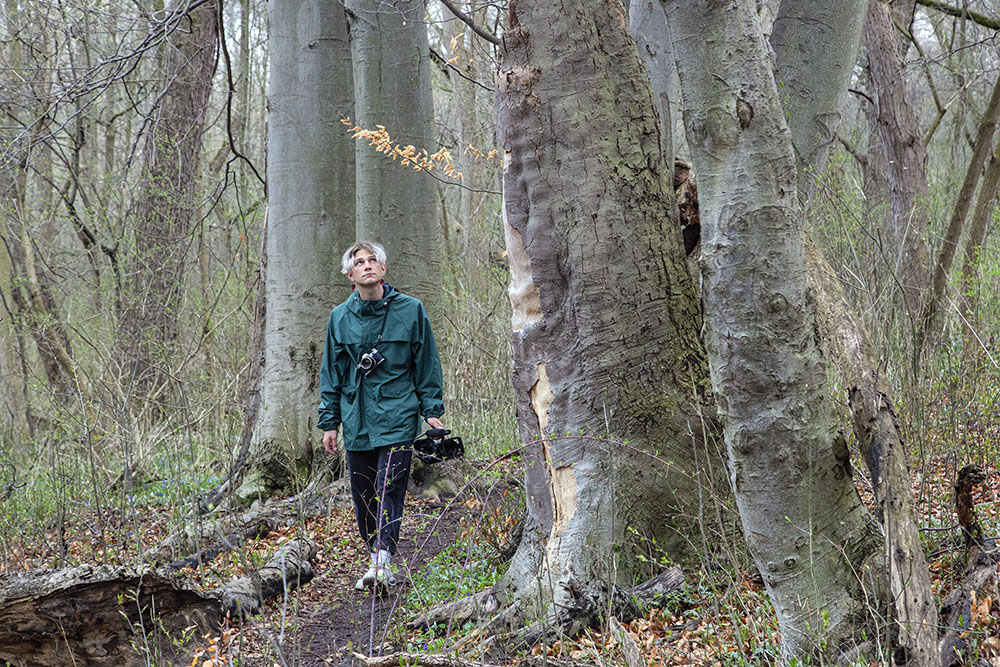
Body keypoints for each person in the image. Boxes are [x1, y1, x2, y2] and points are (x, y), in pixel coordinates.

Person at [318, 240, 445, 591]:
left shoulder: (412, 311)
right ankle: (377, 555)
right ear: (350, 275)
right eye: (359, 262)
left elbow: (426, 364)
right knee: (363, 495)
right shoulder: (339, 318)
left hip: (399, 416)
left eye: (373, 260)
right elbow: (331, 372)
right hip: (356, 419)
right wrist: (329, 422)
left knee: (389, 486)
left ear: (384, 269)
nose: (367, 265)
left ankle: (382, 560)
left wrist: (432, 412)